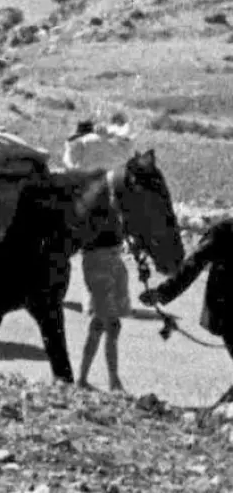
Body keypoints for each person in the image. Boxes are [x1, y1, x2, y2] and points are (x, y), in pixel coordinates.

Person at [63, 118, 135, 392]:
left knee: (104, 326)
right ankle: (110, 381)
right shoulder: (92, 195)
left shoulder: (101, 191)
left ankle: (87, 378)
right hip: (101, 259)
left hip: (109, 258)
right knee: (109, 324)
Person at [141, 219, 233, 405]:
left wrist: (162, 293)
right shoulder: (224, 232)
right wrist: (163, 292)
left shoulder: (224, 230)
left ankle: (216, 415)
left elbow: (193, 264)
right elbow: (192, 265)